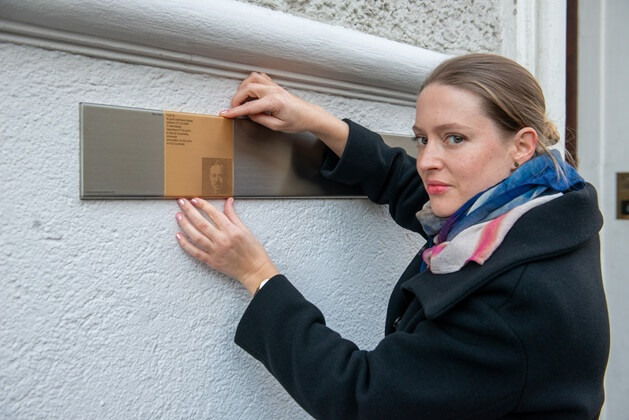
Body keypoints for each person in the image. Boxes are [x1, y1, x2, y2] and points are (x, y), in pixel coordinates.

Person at [173, 54, 610, 419]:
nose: (428, 161)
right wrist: (317, 122)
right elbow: (415, 189)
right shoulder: (544, 209)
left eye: (454, 138)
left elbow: (362, 399)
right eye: (423, 139)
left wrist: (257, 273)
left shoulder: (510, 302)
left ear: (521, 145)